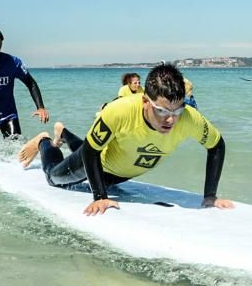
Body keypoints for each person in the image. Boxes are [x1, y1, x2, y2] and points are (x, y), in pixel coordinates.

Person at [17, 63, 233, 216]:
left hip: (121, 169)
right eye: (161, 110)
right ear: (145, 101)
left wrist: (210, 196)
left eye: (177, 111)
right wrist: (99, 195)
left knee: (93, 147)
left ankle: (63, 132)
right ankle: (45, 141)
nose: (170, 119)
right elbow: (91, 151)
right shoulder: (118, 111)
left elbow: (216, 146)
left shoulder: (188, 118)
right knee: (53, 178)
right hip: (99, 165)